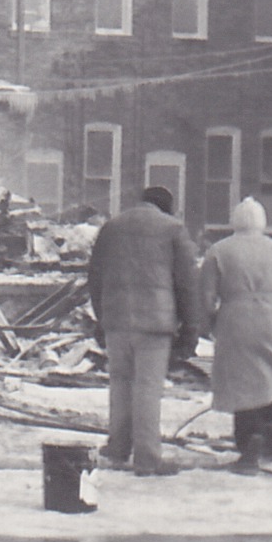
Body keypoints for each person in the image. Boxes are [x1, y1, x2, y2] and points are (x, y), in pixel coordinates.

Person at [199, 197, 272, 473]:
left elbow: (206, 296)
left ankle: (249, 443)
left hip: (235, 317)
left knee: (245, 383)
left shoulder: (219, 251)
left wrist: (212, 321)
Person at [87, 185, 200, 476]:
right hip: (155, 323)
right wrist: (190, 327)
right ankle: (148, 458)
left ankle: (117, 448)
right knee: (147, 388)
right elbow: (186, 283)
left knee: (120, 384)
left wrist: (102, 318)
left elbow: (95, 277)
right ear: (168, 207)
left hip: (116, 320)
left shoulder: (112, 227)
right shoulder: (173, 229)